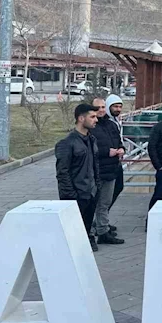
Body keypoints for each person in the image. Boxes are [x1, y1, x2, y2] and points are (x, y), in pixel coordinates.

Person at [55, 103, 102, 252]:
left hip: (91, 193)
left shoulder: (92, 139)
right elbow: (62, 172)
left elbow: (95, 165)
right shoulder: (67, 143)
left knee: (85, 228)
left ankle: (87, 242)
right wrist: (71, 195)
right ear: (81, 118)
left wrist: (97, 187)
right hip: (77, 195)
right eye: (92, 117)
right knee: (71, 233)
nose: (96, 120)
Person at [89, 98, 125, 245]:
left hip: (111, 169)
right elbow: (88, 148)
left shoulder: (111, 125)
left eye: (103, 107)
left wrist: (121, 149)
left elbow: (119, 142)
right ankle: (90, 232)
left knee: (105, 203)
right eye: (98, 108)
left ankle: (103, 230)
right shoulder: (90, 127)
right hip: (96, 171)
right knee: (92, 204)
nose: (101, 110)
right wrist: (106, 152)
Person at [105, 94, 126, 213]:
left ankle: (103, 215)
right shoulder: (105, 122)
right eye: (115, 107)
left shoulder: (117, 120)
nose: (118, 109)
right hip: (107, 162)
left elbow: (119, 139)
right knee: (107, 193)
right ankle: (101, 216)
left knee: (118, 187)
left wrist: (122, 148)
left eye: (120, 106)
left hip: (117, 160)